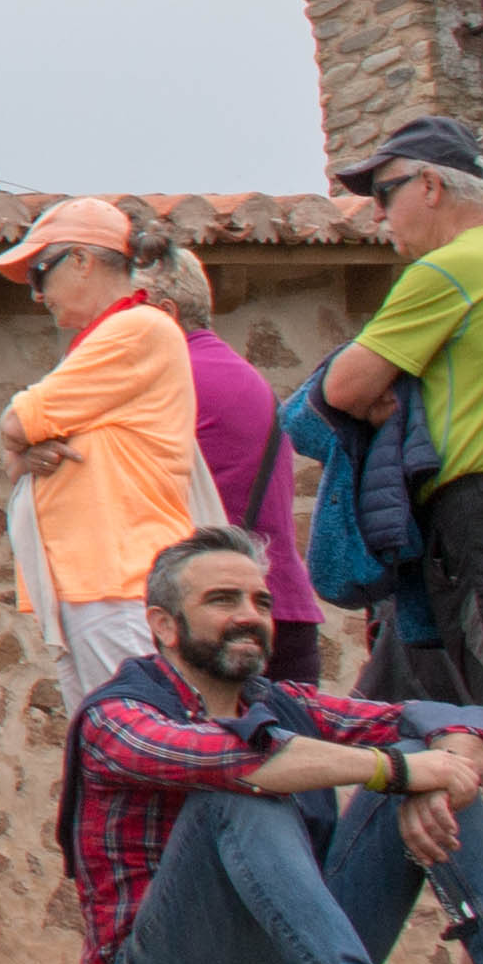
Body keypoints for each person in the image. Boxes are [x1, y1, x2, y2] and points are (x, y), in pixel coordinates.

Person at [53, 527, 483, 964]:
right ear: (164, 624)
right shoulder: (118, 714)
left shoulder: (281, 702)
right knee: (241, 791)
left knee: (428, 753)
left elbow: (470, 719)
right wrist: (397, 770)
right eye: (223, 600)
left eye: (261, 602)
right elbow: (242, 763)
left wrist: (441, 773)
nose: (249, 616)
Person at [316, 116, 483, 708]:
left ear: (431, 185)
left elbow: (342, 389)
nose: (378, 215)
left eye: (386, 194)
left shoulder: (448, 268)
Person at [0, 196, 201, 691]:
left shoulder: (136, 328)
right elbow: (15, 451)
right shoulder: (115, 334)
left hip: (118, 582)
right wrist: (21, 451)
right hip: (100, 584)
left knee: (140, 750)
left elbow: (17, 423)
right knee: (109, 752)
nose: (38, 295)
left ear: (81, 260)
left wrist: (21, 445)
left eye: (40, 274)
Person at [151, 240, 325, 690]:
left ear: (165, 313)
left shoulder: (174, 377)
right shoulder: (236, 372)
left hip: (223, 625)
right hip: (277, 608)